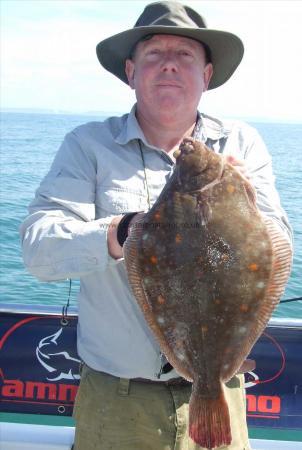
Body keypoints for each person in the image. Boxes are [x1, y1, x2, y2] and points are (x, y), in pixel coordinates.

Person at [20, 1, 292, 449]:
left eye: (185, 54)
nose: (169, 64)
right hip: (117, 404)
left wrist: (241, 204)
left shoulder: (242, 144)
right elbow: (38, 252)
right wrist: (121, 232)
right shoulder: (87, 146)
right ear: (131, 71)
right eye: (154, 53)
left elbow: (276, 246)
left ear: (205, 75)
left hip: (220, 394)